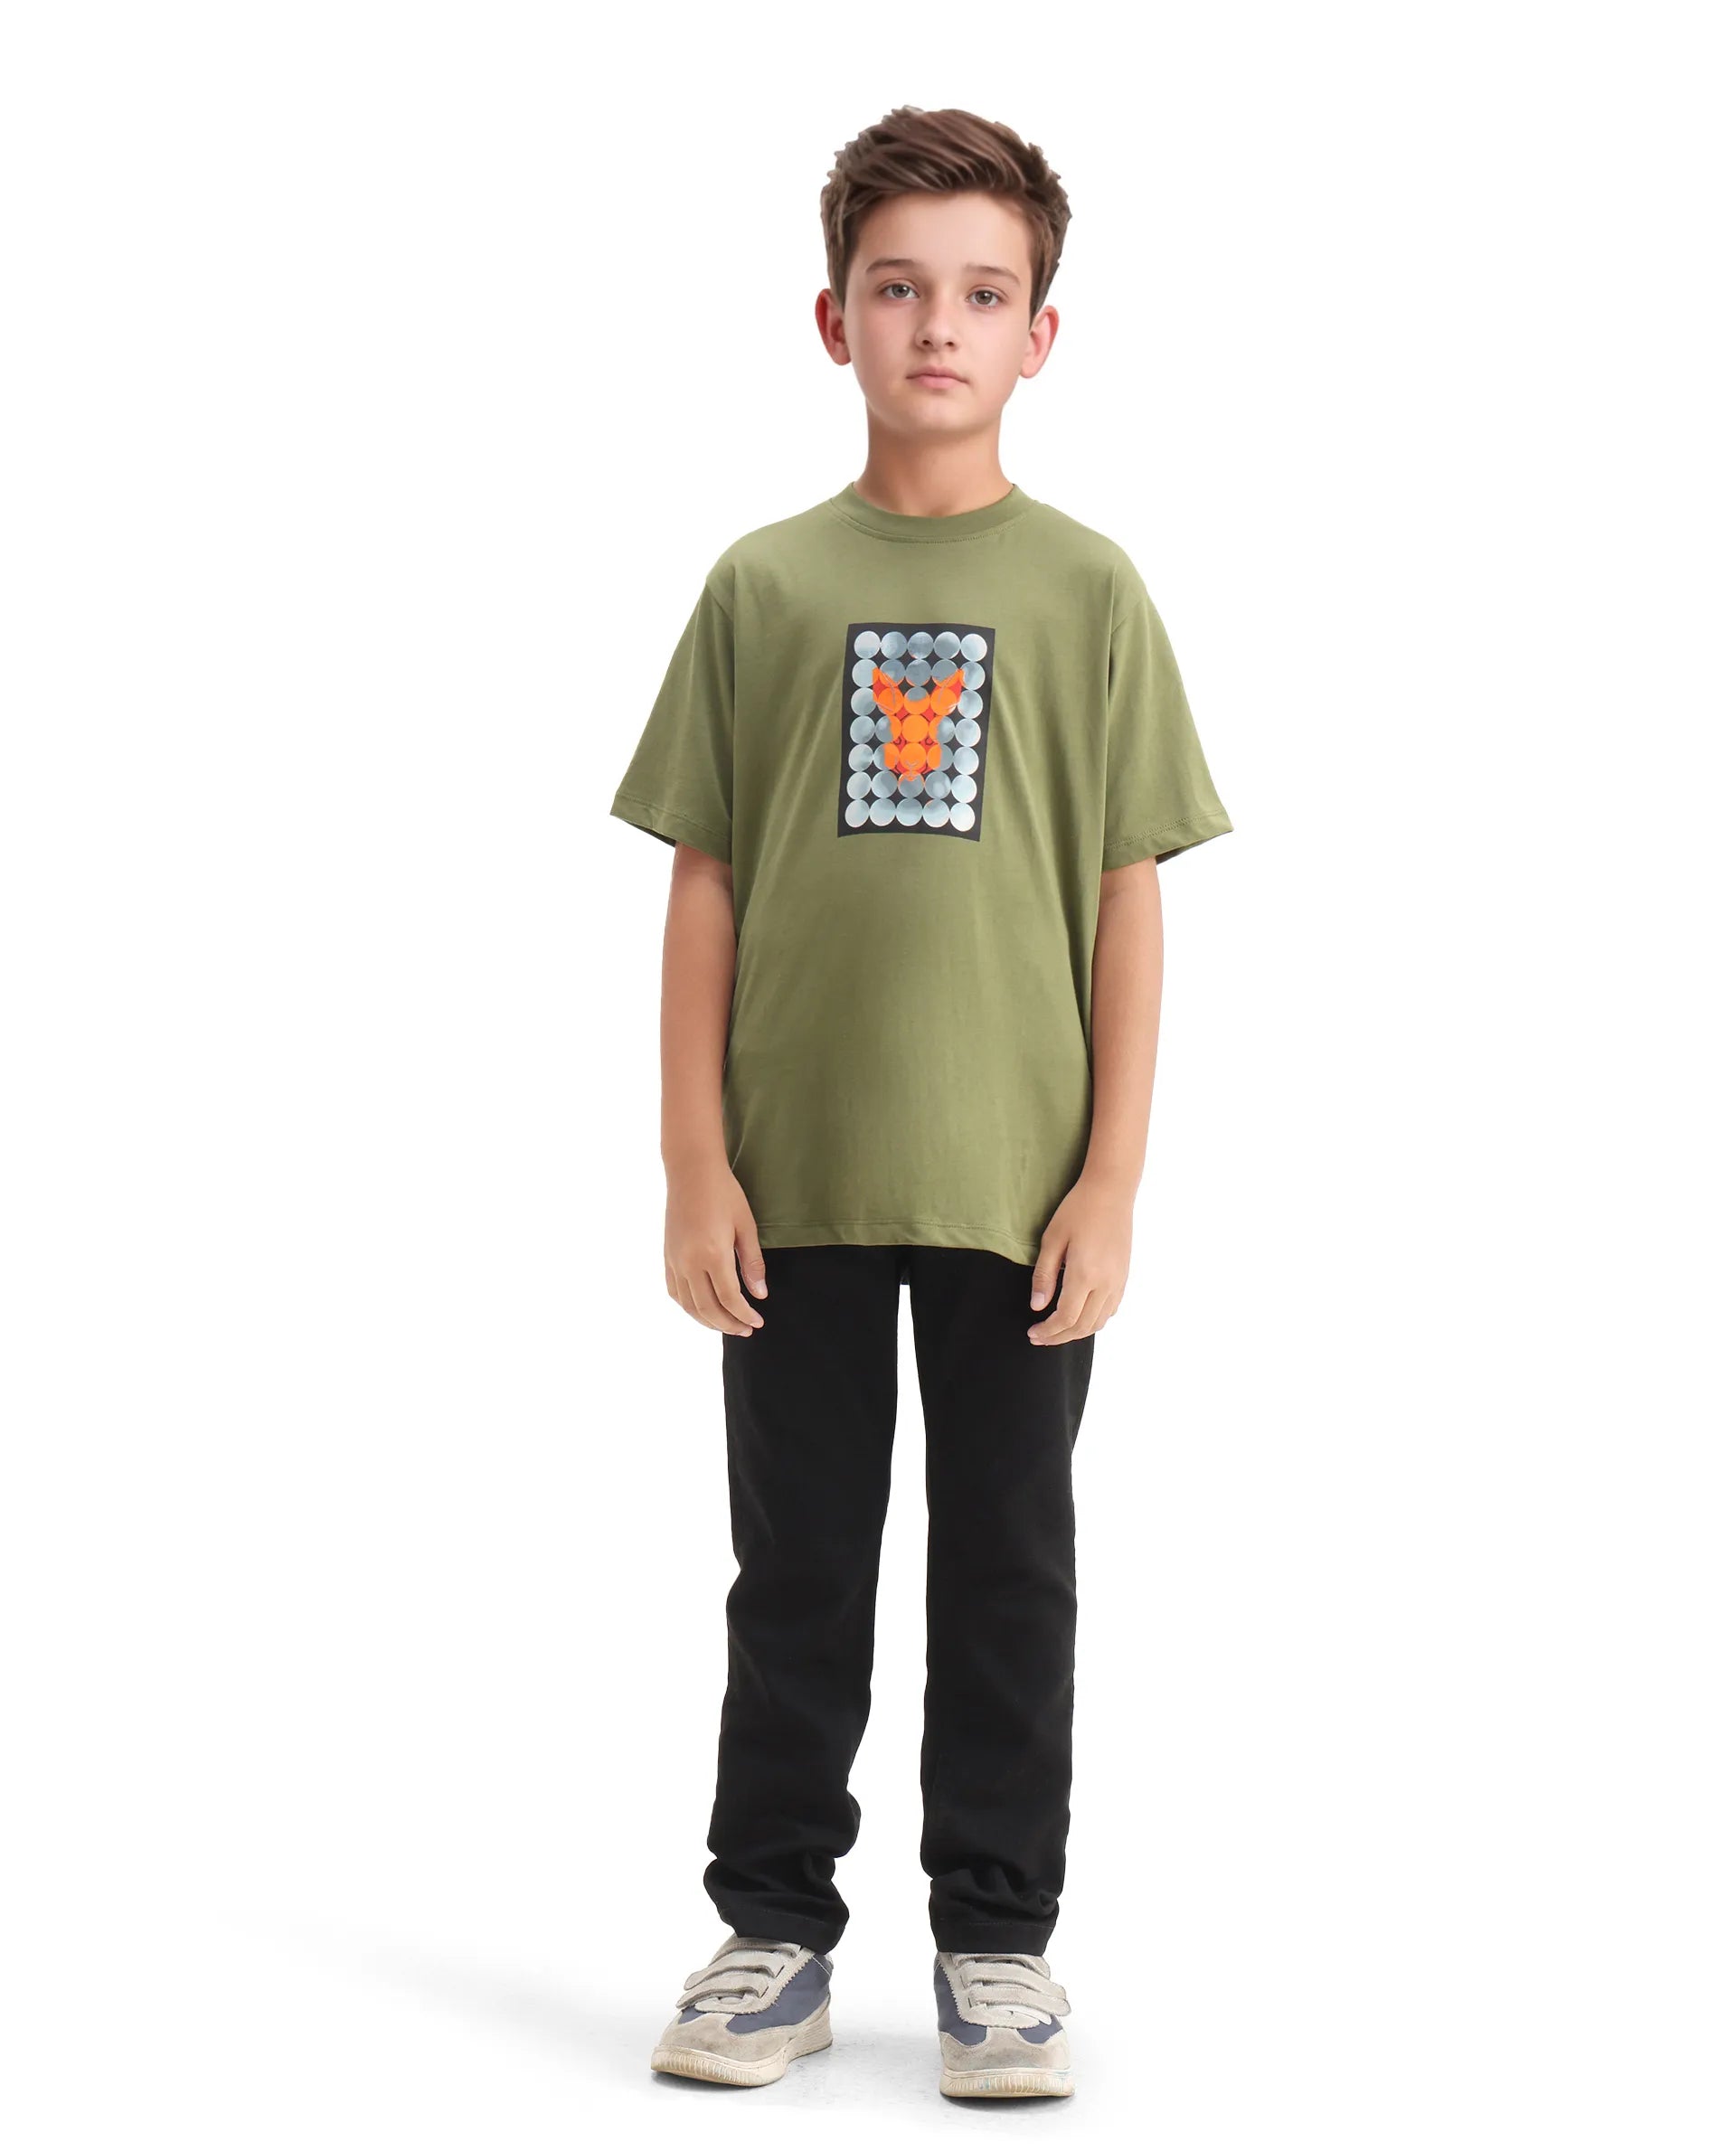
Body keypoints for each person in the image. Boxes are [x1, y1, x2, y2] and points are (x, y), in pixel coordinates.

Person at [609, 105, 1232, 2100]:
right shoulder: (763, 585)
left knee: (1009, 1566)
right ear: (834, 319)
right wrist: (693, 1156)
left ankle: (998, 1941)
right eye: (898, 289)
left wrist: (1113, 1177)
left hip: (1016, 1187)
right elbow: (705, 878)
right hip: (793, 1179)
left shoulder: (1091, 591)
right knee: (796, 1562)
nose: (937, 326)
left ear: (1043, 333)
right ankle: (773, 1927)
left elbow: (1127, 894)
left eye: (981, 293)